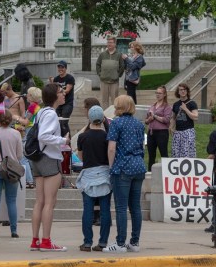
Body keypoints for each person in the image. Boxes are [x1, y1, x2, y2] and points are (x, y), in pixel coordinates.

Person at [103, 95, 147, 253]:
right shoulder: (139, 124)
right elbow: (142, 145)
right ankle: (134, 242)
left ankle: (120, 242)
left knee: (121, 207)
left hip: (122, 166)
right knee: (135, 207)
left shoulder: (116, 123)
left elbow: (111, 148)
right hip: (138, 166)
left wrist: (111, 167)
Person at [30, 83, 70, 251]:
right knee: (49, 202)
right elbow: (44, 136)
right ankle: (46, 241)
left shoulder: (40, 112)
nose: (64, 94)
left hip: (37, 159)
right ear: (54, 96)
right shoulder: (52, 114)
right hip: (50, 158)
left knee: (39, 201)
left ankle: (35, 240)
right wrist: (63, 140)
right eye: (61, 92)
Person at [76, 105, 112, 251]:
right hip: (104, 174)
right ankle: (103, 242)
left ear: (89, 119)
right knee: (105, 210)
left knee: (88, 210)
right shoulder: (107, 136)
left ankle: (87, 242)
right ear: (102, 119)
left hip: (88, 175)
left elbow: (81, 157)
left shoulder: (82, 137)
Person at [0, 111, 23, 238]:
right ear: (10, 120)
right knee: (11, 200)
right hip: (12, 170)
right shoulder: (16, 134)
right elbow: (19, 155)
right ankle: (13, 230)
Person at [14, 86, 42, 188]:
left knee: (23, 157)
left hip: (29, 133)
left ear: (31, 96)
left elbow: (26, 121)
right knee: (29, 158)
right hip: (31, 132)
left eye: (28, 94)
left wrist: (15, 117)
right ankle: (32, 180)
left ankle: (29, 180)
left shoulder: (32, 106)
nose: (26, 96)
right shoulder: (37, 106)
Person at [145, 86, 172, 169]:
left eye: (160, 93)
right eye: (156, 93)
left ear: (164, 94)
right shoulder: (152, 106)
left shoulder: (167, 107)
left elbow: (166, 120)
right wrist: (150, 119)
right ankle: (150, 172)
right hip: (151, 132)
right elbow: (146, 121)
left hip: (162, 133)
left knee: (164, 154)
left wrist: (155, 116)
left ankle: (166, 172)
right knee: (151, 155)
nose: (158, 95)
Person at [96, 35, 125, 109]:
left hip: (114, 82)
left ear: (115, 44)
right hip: (104, 81)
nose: (109, 44)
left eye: (111, 42)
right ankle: (105, 115)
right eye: (108, 42)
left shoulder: (119, 55)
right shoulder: (102, 54)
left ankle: (114, 115)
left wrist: (118, 75)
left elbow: (122, 66)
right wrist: (100, 74)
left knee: (115, 101)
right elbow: (98, 64)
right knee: (104, 101)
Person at [171, 83, 198, 158]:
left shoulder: (192, 103)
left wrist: (186, 109)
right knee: (176, 153)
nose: (183, 91)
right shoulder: (176, 104)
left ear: (187, 91)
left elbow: (195, 117)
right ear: (178, 92)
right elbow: (173, 117)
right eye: (181, 90)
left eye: (184, 89)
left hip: (188, 131)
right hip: (177, 132)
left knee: (187, 154)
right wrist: (171, 127)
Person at [51, 60, 75, 137]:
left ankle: (68, 140)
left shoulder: (70, 78)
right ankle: (60, 139)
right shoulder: (56, 79)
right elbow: (54, 91)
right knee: (57, 122)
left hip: (67, 103)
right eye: (59, 67)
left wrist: (60, 90)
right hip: (58, 104)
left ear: (66, 68)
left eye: (62, 67)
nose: (60, 69)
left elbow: (67, 90)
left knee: (64, 122)